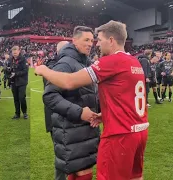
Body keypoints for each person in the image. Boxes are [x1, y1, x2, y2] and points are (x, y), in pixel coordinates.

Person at [35, 20, 149, 180]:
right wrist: (106, 114)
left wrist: (44, 70)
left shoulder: (111, 61)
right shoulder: (134, 61)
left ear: (111, 40)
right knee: (135, 177)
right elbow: (127, 97)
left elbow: (69, 82)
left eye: (99, 40)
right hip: (140, 131)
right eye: (88, 40)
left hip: (120, 135)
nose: (96, 45)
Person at [43, 26, 100, 180]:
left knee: (79, 172)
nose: (90, 44)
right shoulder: (66, 63)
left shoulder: (85, 63)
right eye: (86, 40)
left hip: (83, 131)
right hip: (72, 131)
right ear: (74, 40)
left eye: (92, 40)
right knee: (82, 172)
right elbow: (50, 96)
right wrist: (80, 112)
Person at [42, 40, 69, 180]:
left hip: (69, 116)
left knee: (73, 155)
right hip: (56, 118)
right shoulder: (52, 65)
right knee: (62, 155)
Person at [8, 45, 29, 120]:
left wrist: (16, 74)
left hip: (22, 81)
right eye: (13, 53)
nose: (14, 54)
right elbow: (9, 69)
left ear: (19, 51)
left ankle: (25, 113)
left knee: (21, 97)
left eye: (16, 53)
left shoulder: (23, 59)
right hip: (13, 81)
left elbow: (25, 70)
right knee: (15, 98)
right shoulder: (10, 59)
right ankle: (17, 114)